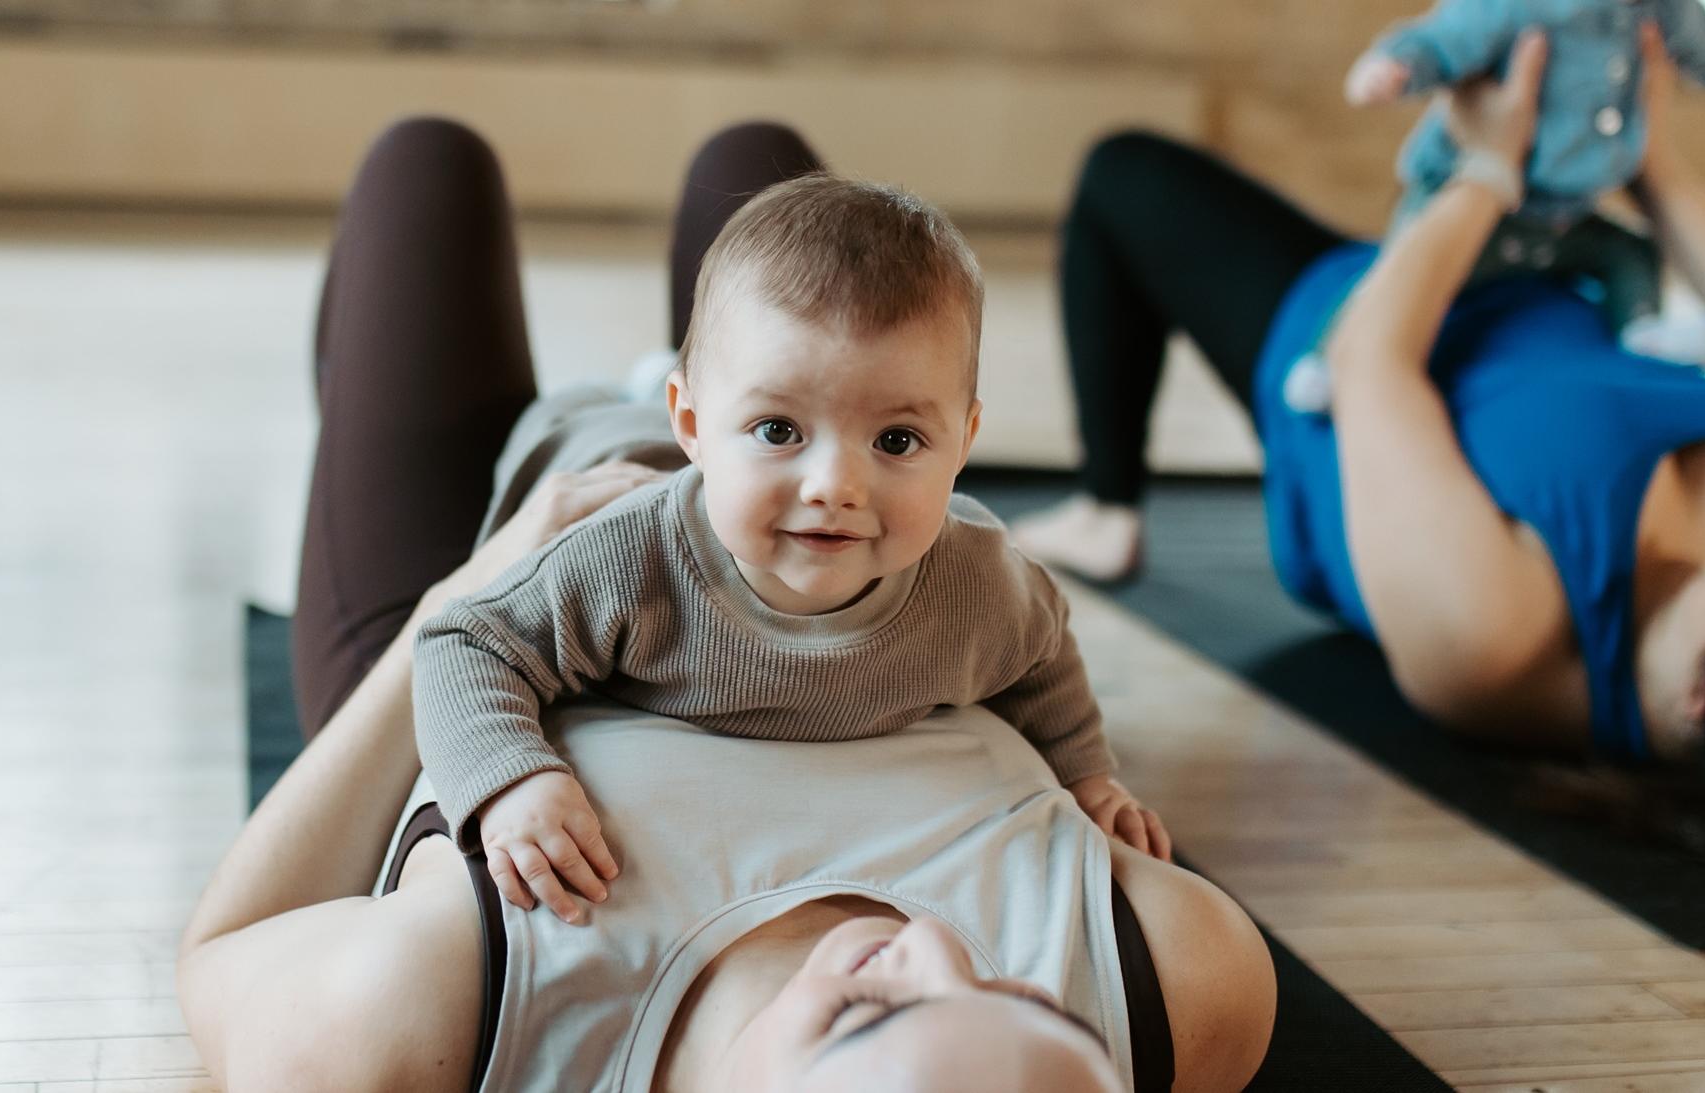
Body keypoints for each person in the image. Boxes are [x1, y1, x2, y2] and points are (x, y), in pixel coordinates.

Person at [177, 118, 1277, 1092]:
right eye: (1025, 1002)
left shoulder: (390, 1037)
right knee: (765, 180)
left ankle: (721, 395)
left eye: (856, 1018)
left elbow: (232, 939)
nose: (934, 952)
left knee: (428, 166)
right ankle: (744, 378)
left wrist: (479, 596)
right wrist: (1091, 775)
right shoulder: (1179, 989)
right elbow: (1040, 654)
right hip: (741, 492)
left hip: (518, 551)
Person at [1015, 28, 1705, 880]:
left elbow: (1370, 364)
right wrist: (1646, 158)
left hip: (1354, 331)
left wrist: (1488, 168)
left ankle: (1108, 508)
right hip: (1547, 289)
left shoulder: (1495, 642)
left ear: (1699, 692)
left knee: (1122, 174)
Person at [412, 174, 1168, 927]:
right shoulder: (625, 560)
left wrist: (1087, 775)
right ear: (694, 421)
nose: (836, 486)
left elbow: (1043, 655)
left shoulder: (980, 581)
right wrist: (510, 778)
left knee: (760, 167)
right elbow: (465, 641)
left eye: (897, 440)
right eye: (781, 429)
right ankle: (618, 396)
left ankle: (700, 393)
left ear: (964, 443)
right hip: (577, 464)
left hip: (701, 436)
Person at [1333, 0, 1705, 371]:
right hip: (1473, 205)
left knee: (1632, 253)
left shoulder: (1666, 11)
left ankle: (1642, 325)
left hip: (1566, 214)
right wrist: (1393, 68)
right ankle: (1329, 352)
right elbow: (1441, 40)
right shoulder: (1521, 7)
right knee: (1405, 263)